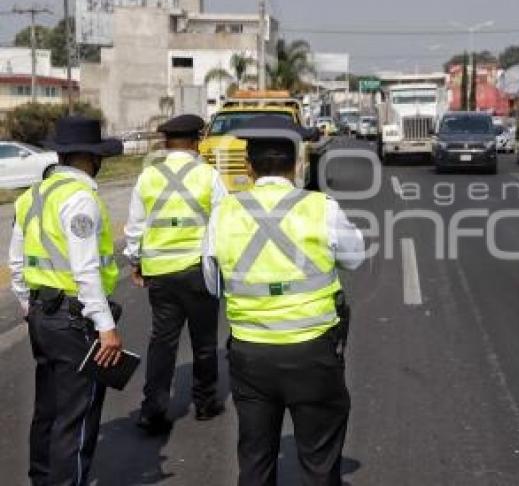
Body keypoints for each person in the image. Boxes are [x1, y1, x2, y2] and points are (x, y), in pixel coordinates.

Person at [202, 115, 365, 486]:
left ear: (247, 167)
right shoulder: (321, 207)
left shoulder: (222, 213)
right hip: (313, 354)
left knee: (255, 462)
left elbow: (213, 284)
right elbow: (356, 257)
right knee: (319, 462)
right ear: (298, 164)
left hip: (250, 355)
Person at [8, 116, 124, 486]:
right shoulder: (81, 200)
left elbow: (17, 261)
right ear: (93, 158)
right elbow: (86, 270)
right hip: (75, 322)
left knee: (48, 409)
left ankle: (41, 479)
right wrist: (106, 328)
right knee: (76, 417)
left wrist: (29, 306)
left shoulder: (33, 195)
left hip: (42, 315)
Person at [124, 114, 228, 434]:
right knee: (205, 341)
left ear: (166, 143)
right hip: (199, 273)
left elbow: (135, 228)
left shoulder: (148, 178)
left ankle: (152, 410)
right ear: (197, 141)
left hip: (160, 275)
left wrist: (136, 262)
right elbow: (223, 224)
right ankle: (205, 403)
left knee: (163, 342)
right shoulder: (209, 176)